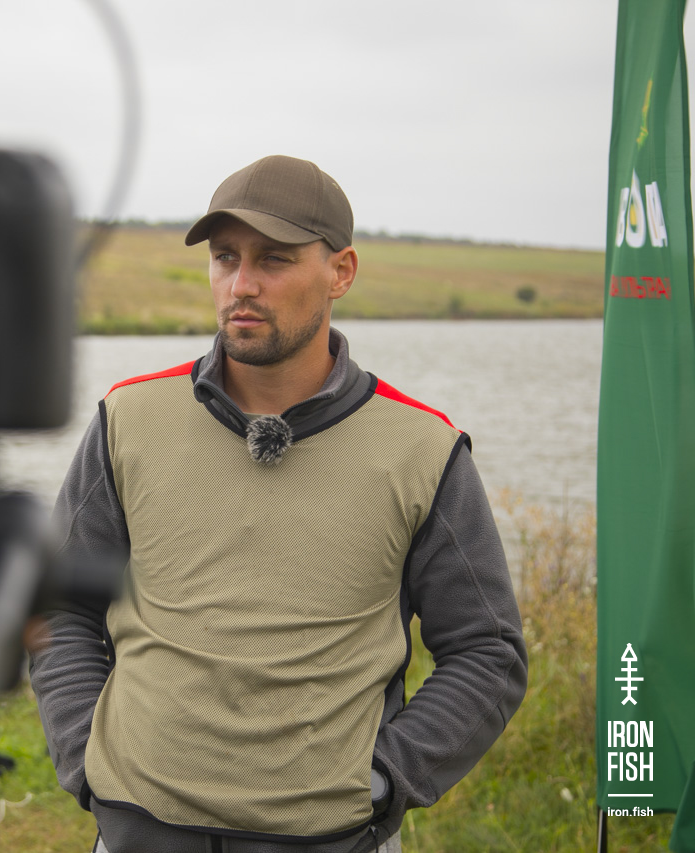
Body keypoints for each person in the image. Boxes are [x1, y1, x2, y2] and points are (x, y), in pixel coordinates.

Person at [29, 155, 527, 853]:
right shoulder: (129, 417)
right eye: (225, 257)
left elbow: (487, 650)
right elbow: (61, 605)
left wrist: (383, 781)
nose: (242, 284)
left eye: (274, 259)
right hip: (136, 832)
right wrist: (88, 762)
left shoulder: (422, 447)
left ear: (341, 272)